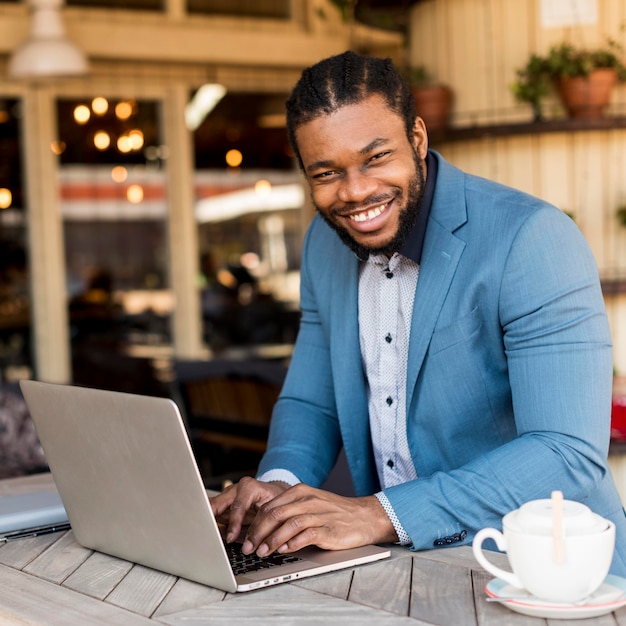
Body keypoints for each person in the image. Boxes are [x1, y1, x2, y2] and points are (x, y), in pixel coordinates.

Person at [210, 50, 626, 574]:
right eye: (327, 172)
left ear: (418, 139)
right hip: (404, 568)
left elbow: (565, 451)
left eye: (376, 157)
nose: (356, 191)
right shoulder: (323, 242)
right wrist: (279, 491)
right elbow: (311, 402)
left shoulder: (532, 239)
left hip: (552, 573)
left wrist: (380, 514)